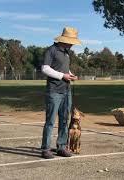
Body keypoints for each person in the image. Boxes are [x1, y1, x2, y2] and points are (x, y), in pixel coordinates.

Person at [40, 27, 81, 159]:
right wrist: (62, 76)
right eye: (71, 41)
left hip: (66, 90)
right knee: (50, 121)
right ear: (65, 40)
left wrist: (70, 75)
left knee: (64, 120)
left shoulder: (66, 52)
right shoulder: (51, 50)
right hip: (54, 91)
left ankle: (61, 147)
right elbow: (45, 68)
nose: (72, 44)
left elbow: (64, 69)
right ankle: (45, 149)